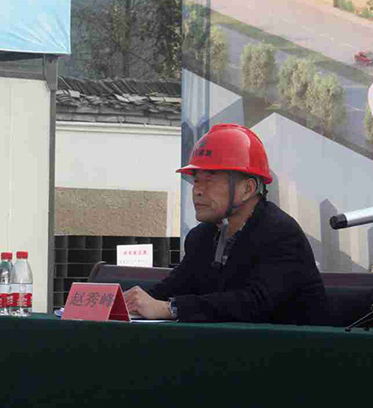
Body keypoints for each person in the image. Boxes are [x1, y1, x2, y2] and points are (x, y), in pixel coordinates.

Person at [122, 123, 326, 324]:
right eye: (196, 180)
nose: (197, 191)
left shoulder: (281, 234)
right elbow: (172, 287)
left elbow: (256, 302)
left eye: (209, 180)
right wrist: (125, 303)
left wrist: (171, 308)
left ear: (247, 189)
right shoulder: (201, 237)